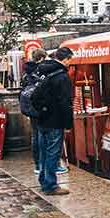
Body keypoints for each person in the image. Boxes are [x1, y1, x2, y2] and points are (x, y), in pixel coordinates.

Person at [36, 47, 74, 195]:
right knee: (53, 153)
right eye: (70, 60)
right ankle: (51, 185)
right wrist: (68, 124)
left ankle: (43, 180)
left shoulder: (42, 71)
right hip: (55, 120)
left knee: (43, 152)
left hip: (42, 119)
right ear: (66, 59)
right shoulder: (62, 76)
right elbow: (65, 103)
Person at [21, 48, 47, 174]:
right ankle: (42, 164)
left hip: (29, 107)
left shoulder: (26, 72)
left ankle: (37, 164)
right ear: (41, 58)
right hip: (39, 107)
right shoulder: (40, 71)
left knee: (35, 135)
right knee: (42, 135)